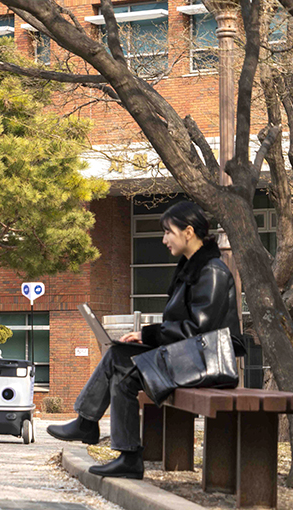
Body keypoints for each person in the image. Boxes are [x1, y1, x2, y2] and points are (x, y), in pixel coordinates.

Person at [46, 201, 245, 479]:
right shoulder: (191, 268)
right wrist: (146, 338)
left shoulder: (211, 271)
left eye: (168, 232)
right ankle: (121, 452)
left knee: (118, 360)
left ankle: (90, 425)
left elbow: (198, 330)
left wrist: (148, 335)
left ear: (188, 231)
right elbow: (183, 329)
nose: (164, 240)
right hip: (191, 358)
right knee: (121, 368)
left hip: (208, 363)